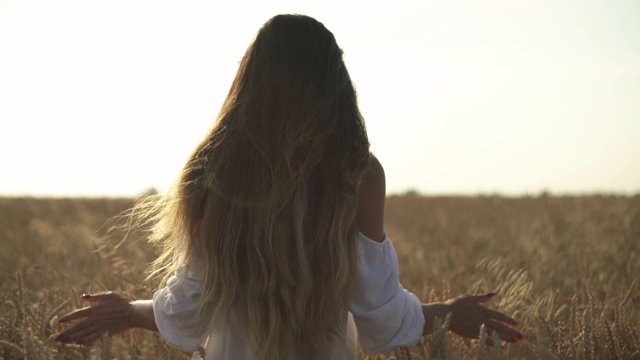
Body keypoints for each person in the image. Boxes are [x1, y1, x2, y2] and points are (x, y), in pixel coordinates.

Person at [55, 14, 524, 359]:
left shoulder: (212, 171)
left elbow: (187, 312)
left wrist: (128, 311)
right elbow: (379, 316)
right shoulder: (356, 172)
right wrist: (447, 313)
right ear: (333, 83)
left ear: (251, 80)